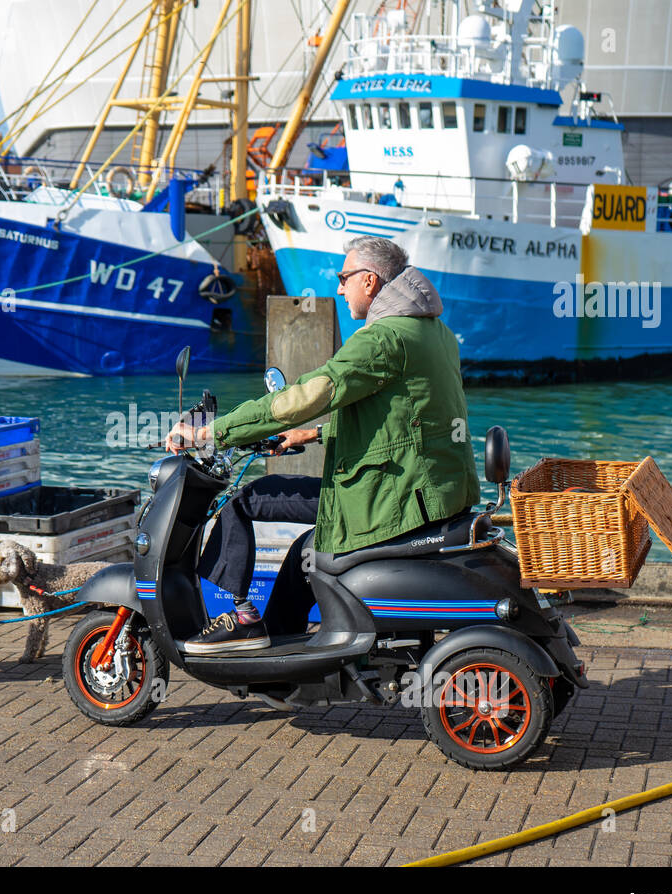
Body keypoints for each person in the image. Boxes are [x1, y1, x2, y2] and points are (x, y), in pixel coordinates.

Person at [165, 235, 480, 653]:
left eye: (344, 278)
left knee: (245, 500)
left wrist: (210, 432)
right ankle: (281, 648)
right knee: (304, 551)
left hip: (392, 494)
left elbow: (306, 396)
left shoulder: (383, 339)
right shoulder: (434, 331)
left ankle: (244, 620)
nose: (338, 289)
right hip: (427, 486)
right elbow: (405, 419)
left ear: (369, 281)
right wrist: (313, 433)